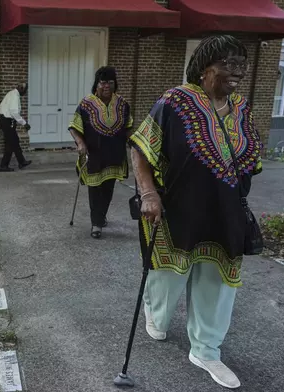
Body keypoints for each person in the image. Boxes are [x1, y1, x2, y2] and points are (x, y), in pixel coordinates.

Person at [128, 35, 262, 389]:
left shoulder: (242, 109)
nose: (237, 73)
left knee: (218, 283)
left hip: (226, 214)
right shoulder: (175, 102)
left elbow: (250, 160)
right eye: (229, 65)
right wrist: (148, 193)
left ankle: (206, 350)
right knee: (169, 275)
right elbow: (141, 149)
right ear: (206, 69)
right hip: (178, 211)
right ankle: (155, 316)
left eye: (241, 66)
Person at [68, 66, 133, 239]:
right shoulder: (86, 104)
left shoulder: (123, 104)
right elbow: (74, 127)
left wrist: (135, 143)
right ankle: (96, 223)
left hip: (114, 154)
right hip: (94, 155)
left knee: (108, 189)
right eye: (102, 82)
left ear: (115, 84)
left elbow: (128, 128)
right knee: (95, 188)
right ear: (96, 85)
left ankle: (101, 215)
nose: (106, 86)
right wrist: (80, 143)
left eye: (110, 82)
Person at [0, 83, 31, 172]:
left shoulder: (11, 93)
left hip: (5, 120)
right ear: (21, 89)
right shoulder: (15, 96)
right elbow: (14, 112)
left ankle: (22, 161)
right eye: (25, 90)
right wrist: (24, 123)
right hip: (7, 121)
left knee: (15, 141)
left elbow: (1, 107)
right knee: (10, 143)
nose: (25, 92)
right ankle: (3, 165)